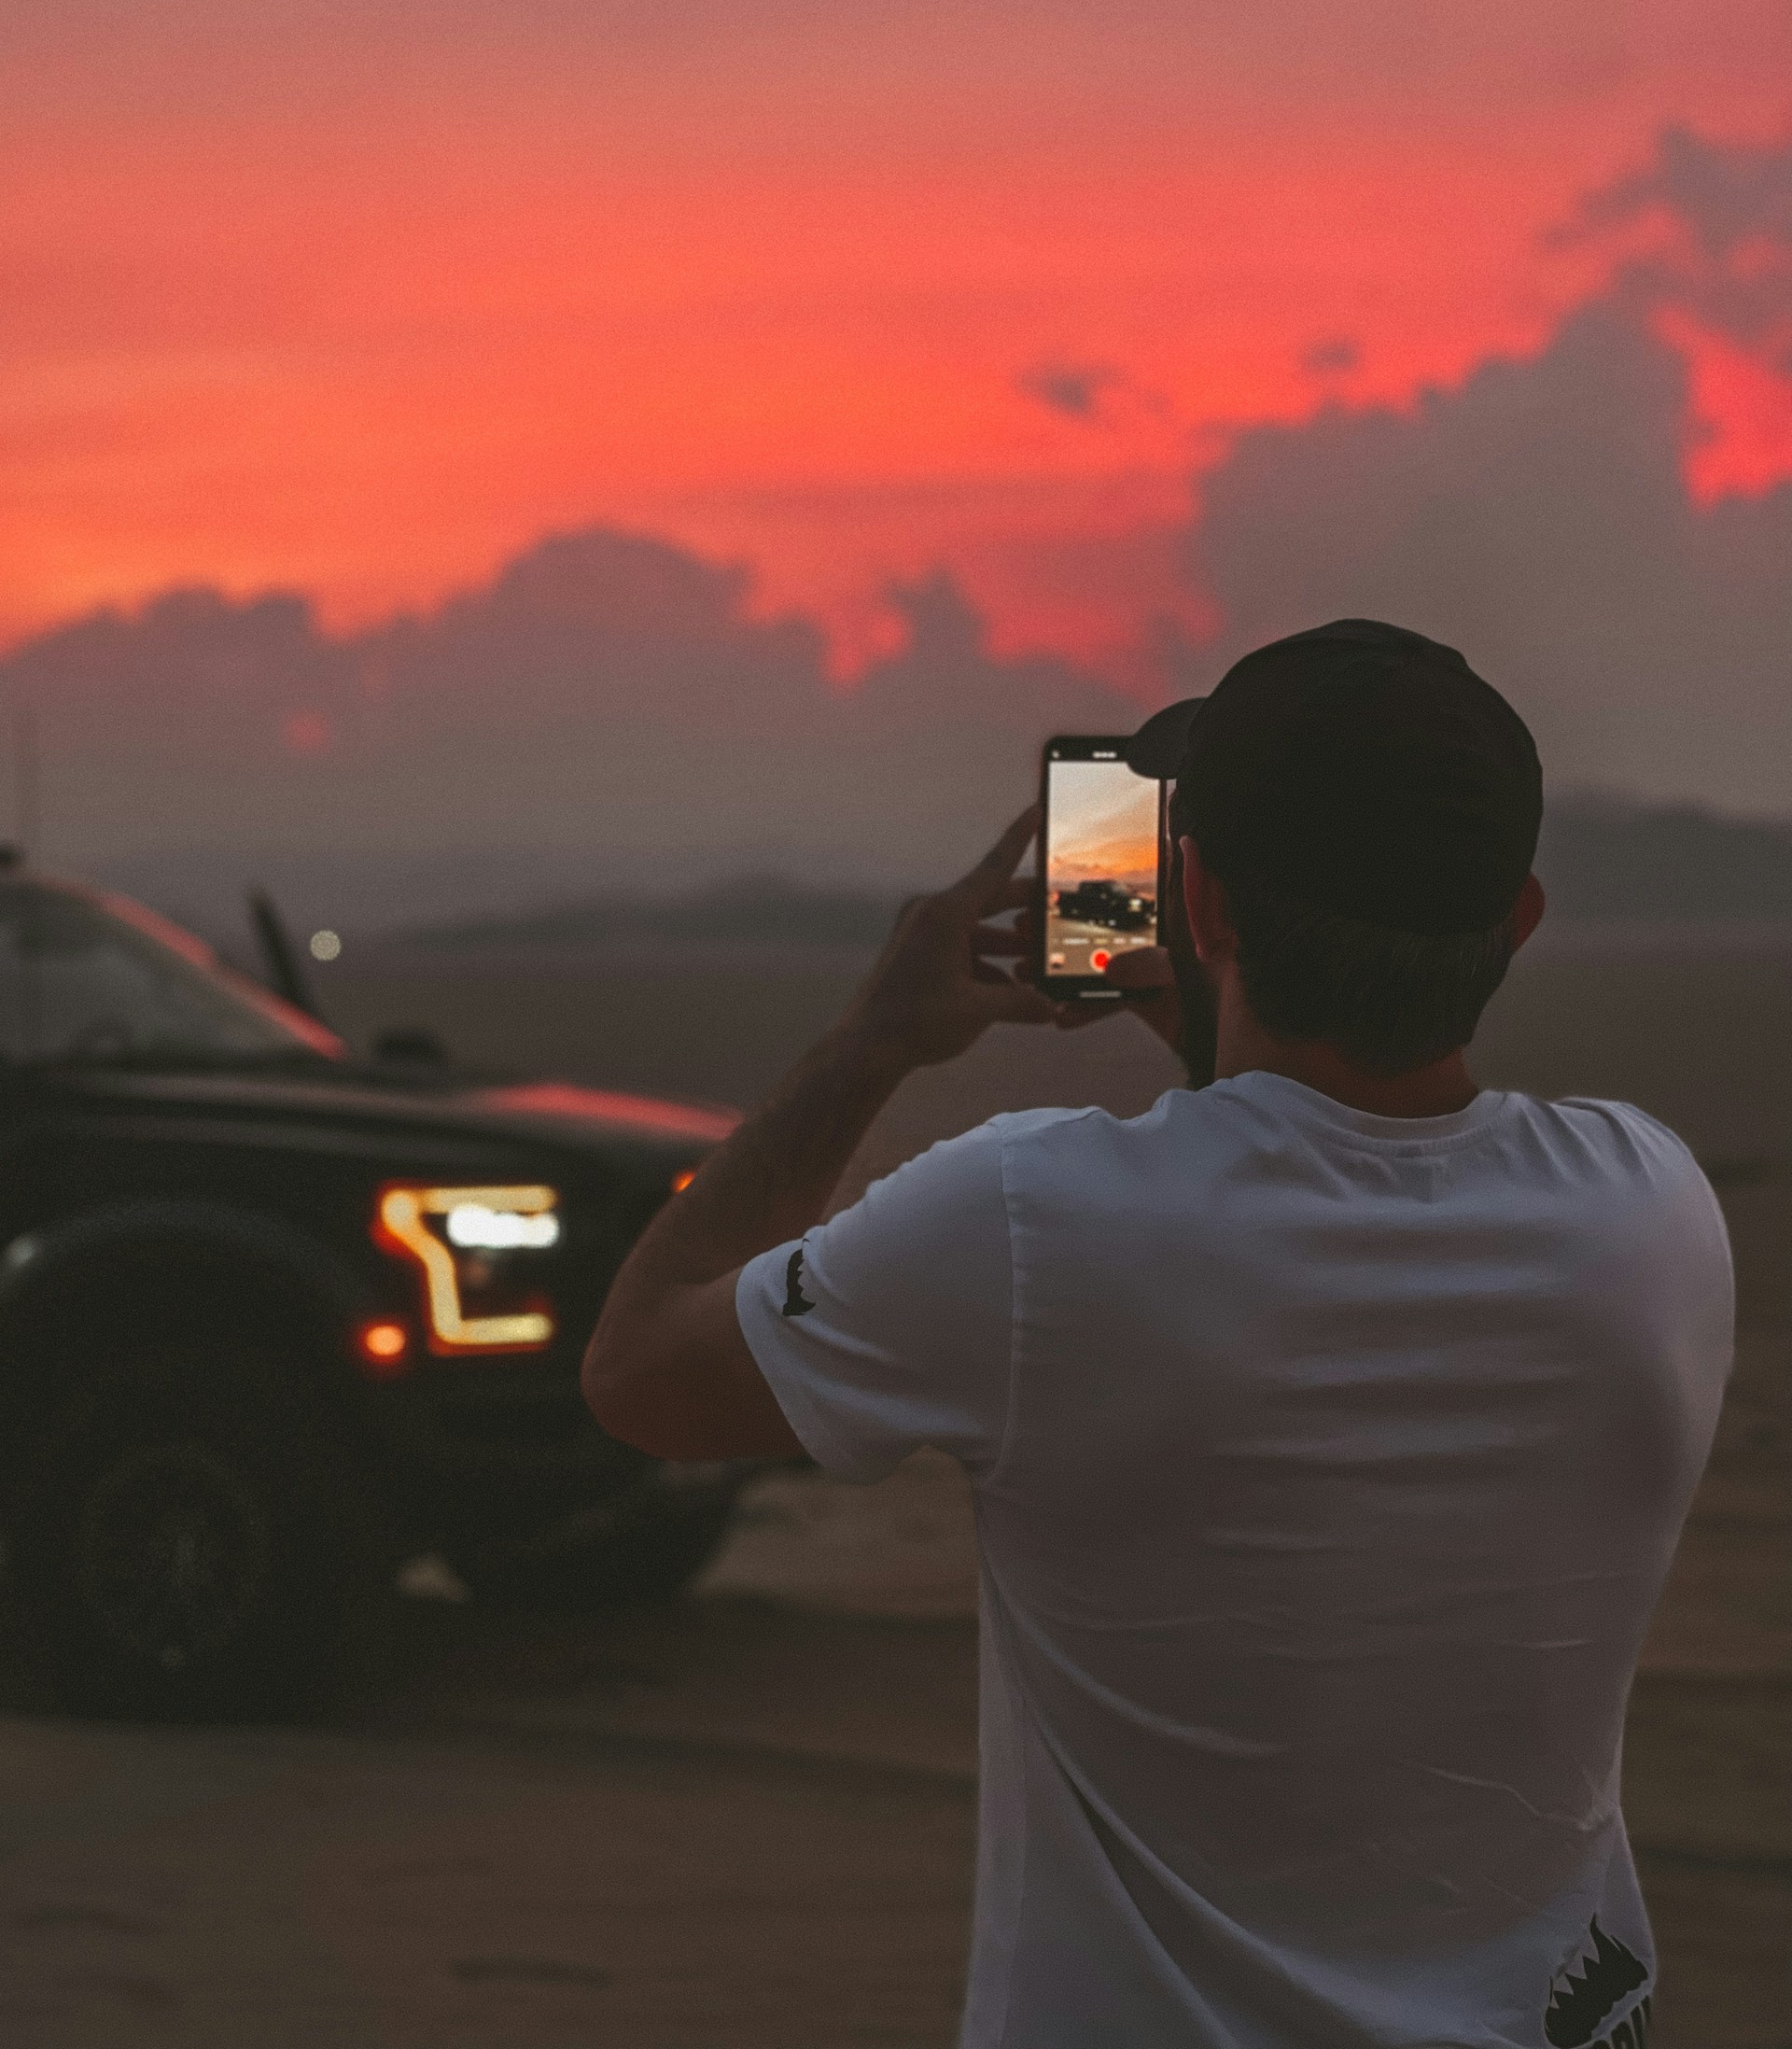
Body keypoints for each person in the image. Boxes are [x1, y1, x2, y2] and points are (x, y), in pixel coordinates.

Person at [583, 618, 1732, 2049]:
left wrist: (873, 1040)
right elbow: (1310, 1169)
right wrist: (1218, 1003)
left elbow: (640, 1371)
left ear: (1201, 904)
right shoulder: (1653, 1211)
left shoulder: (1031, 1221)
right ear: (1520, 917)